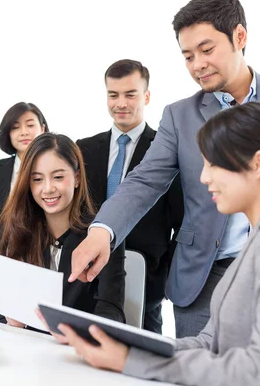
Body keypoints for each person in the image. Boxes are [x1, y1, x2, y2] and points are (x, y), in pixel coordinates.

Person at [70, 0, 260, 337]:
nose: (196, 65)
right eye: (187, 56)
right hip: (205, 278)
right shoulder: (179, 115)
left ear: (239, 37)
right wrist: (102, 231)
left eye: (206, 50)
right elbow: (144, 181)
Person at [56, 102, 260, 385]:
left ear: (259, 163)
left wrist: (131, 362)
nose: (203, 177)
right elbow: (211, 343)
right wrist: (127, 348)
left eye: (214, 164)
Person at [76, 59, 183, 333]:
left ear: (146, 96)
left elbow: (181, 222)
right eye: (113, 95)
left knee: (144, 362)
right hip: (89, 275)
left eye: (130, 94)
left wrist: (165, 279)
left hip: (146, 280)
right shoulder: (84, 149)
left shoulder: (166, 150)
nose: (120, 103)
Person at [0, 133, 125, 330]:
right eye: (37, 179)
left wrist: (76, 332)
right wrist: (10, 320)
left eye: (58, 177)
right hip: (25, 348)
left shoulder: (102, 235)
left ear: (77, 178)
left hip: (78, 351)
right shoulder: (17, 229)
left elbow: (112, 311)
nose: (47, 188)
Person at [0, 102, 49, 230]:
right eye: (15, 127)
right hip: (3, 248)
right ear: (8, 133)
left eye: (30, 125)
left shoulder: (56, 166)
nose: (24, 132)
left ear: (42, 129)